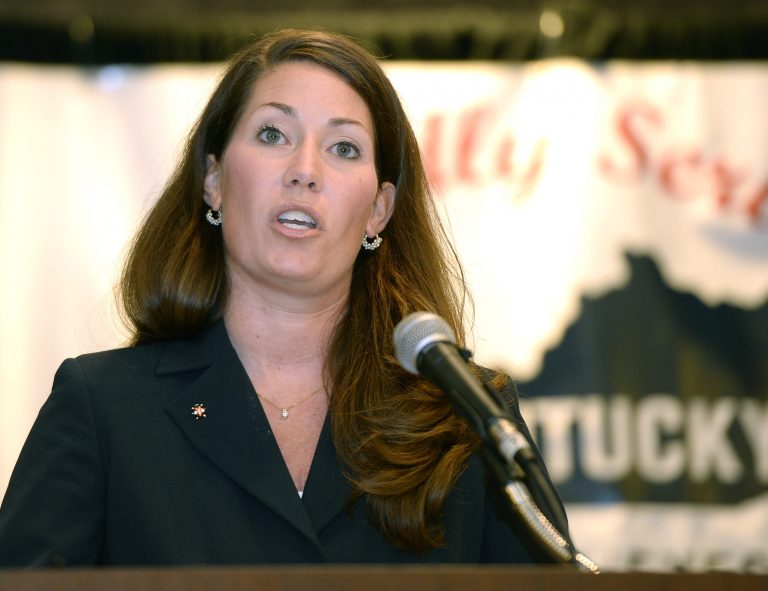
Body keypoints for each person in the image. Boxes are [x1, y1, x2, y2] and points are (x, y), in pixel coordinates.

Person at [0, 28, 563, 566]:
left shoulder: (466, 421)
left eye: (344, 147)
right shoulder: (102, 410)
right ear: (214, 179)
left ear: (378, 210)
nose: (305, 171)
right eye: (273, 135)